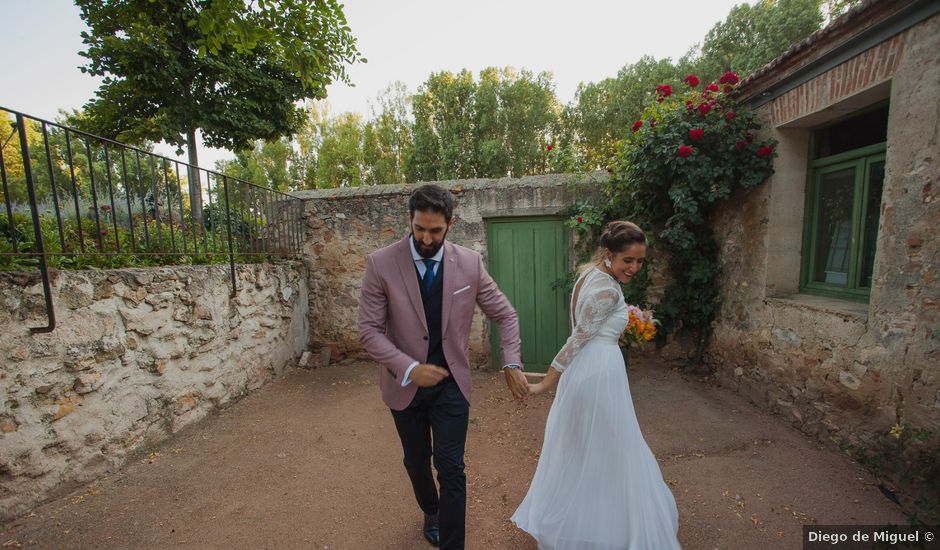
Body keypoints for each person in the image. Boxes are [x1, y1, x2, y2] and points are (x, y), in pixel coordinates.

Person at [357, 184, 529, 549]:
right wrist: (408, 368)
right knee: (416, 462)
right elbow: (369, 331)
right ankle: (430, 509)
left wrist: (511, 360)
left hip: (452, 384)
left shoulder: (469, 263)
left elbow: (506, 314)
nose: (426, 238)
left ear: (450, 223)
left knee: (451, 468)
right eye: (420, 228)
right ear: (411, 220)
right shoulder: (381, 263)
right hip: (403, 386)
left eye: (435, 230)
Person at [512, 220, 681, 550]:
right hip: (598, 373)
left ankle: (590, 515)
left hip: (591, 369)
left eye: (639, 261)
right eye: (627, 260)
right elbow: (577, 340)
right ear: (609, 254)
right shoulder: (605, 289)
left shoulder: (592, 275)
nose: (634, 267)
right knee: (614, 447)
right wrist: (545, 383)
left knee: (592, 446)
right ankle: (605, 523)